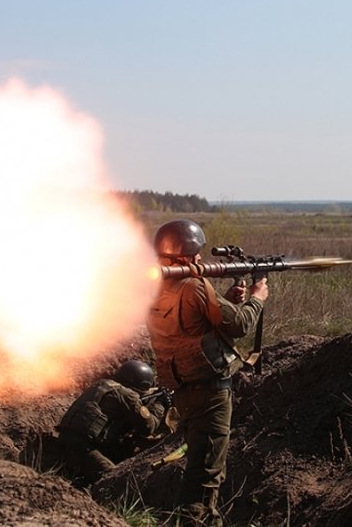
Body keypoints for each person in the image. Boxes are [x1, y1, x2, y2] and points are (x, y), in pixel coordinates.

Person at [146, 219, 268, 526]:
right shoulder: (194, 285)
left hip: (185, 391)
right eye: (197, 254)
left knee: (199, 466)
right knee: (206, 476)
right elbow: (239, 325)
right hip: (210, 392)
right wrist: (257, 297)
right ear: (186, 256)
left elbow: (194, 324)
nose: (201, 260)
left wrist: (226, 298)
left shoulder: (156, 288)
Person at [56, 359, 166, 487]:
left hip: (64, 439)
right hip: (83, 448)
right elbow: (148, 427)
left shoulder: (101, 384)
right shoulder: (128, 395)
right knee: (114, 483)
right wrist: (160, 404)